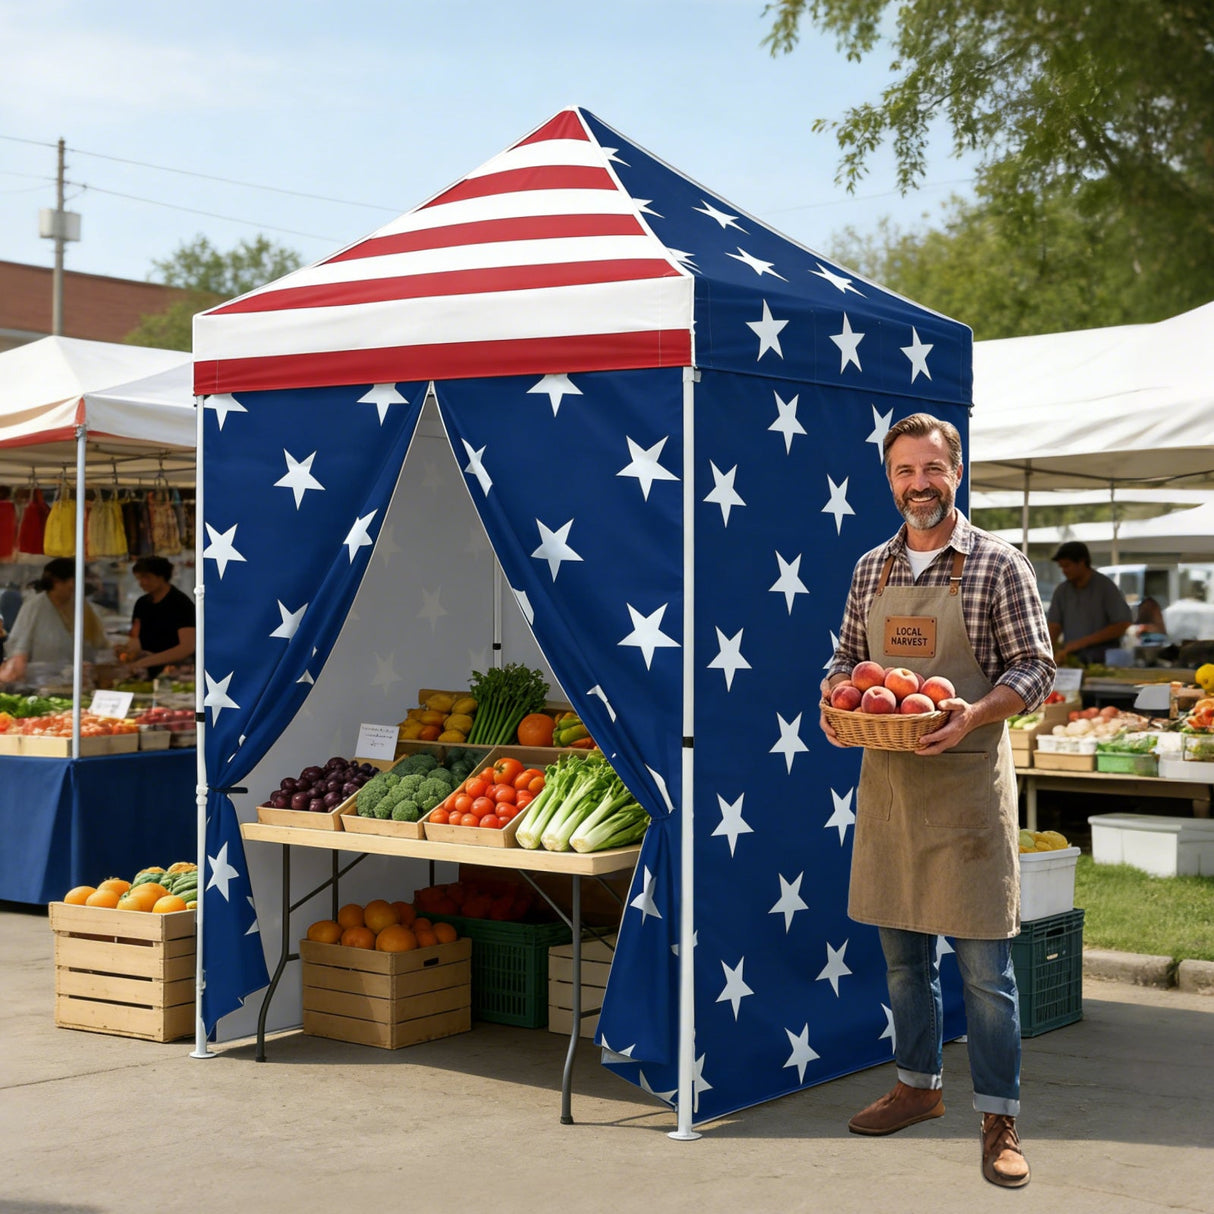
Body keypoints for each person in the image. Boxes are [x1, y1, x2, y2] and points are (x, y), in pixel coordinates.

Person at [821, 412, 1055, 1189]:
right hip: (891, 791)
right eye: (903, 472)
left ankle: (999, 1119)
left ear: (957, 470)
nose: (917, 485)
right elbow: (849, 659)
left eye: (931, 469)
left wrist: (973, 713)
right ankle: (917, 1088)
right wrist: (836, 698)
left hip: (966, 795)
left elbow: (1034, 669)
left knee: (986, 973)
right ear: (888, 480)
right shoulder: (871, 569)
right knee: (902, 965)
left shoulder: (998, 565)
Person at [0, 558, 108, 685]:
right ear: (56, 582)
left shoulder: (82, 607)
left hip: (78, 683)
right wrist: (17, 669)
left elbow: (99, 644)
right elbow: (19, 648)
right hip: (40, 684)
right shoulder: (35, 606)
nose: (75, 586)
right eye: (72, 581)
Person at [1047, 541, 1132, 663]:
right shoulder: (1062, 591)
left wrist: (1080, 643)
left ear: (1082, 562)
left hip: (1103, 661)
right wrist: (1046, 653)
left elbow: (1123, 623)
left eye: (1067, 566)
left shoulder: (1105, 587)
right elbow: (1054, 626)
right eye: (1061, 567)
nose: (1064, 571)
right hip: (1072, 660)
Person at [116, 556, 196, 676]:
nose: (142, 583)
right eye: (139, 578)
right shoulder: (142, 603)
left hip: (177, 672)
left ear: (161, 576)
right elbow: (135, 639)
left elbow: (187, 647)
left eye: (147, 577)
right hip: (146, 672)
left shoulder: (181, 604)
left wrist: (145, 662)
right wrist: (126, 652)